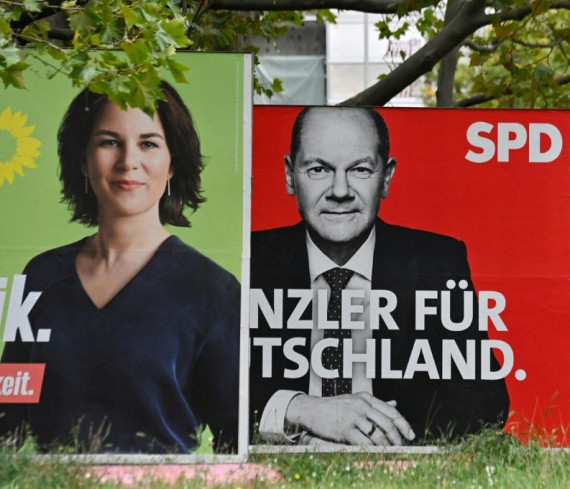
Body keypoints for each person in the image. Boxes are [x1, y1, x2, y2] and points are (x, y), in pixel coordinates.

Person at [0, 83, 240, 453]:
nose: (129, 161)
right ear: (82, 159)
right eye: (109, 141)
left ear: (173, 162)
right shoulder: (41, 277)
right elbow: (8, 418)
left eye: (148, 143)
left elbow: (237, 440)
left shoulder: (215, 291)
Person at [249, 106, 509, 447]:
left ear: (385, 178)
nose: (339, 190)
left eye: (359, 169)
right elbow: (206, 386)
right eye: (318, 169)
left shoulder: (437, 262)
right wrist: (300, 411)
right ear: (289, 175)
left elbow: (484, 398)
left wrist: (373, 433)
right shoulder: (247, 262)